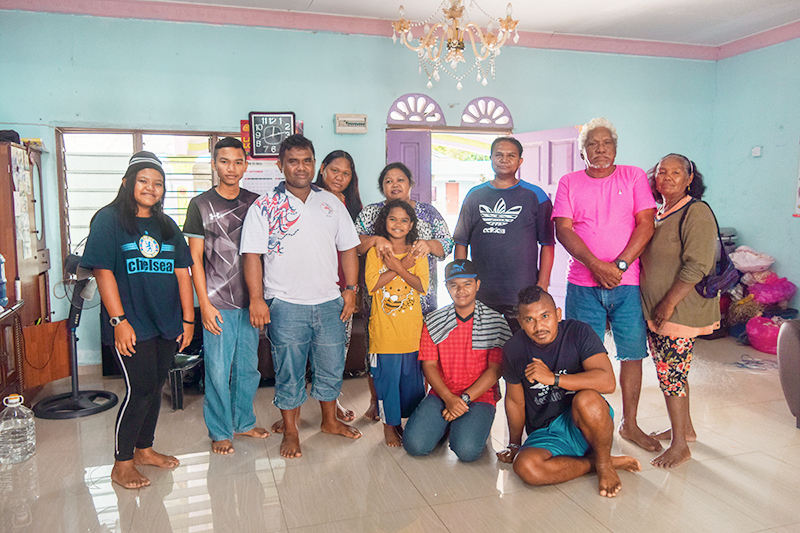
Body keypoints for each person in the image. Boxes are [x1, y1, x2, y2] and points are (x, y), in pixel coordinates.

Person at [240, 134, 362, 459]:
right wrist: (257, 299)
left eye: (307, 160)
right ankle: (291, 431)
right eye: (293, 161)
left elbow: (348, 248)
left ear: (315, 164)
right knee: (288, 370)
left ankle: (329, 421)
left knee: (331, 366)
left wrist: (351, 290)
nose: (301, 167)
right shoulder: (264, 206)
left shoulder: (332, 203)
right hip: (285, 303)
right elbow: (251, 255)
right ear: (280, 165)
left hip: (329, 303)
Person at [81, 151, 194, 488]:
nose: (151, 188)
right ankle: (122, 462)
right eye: (144, 181)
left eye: (158, 183)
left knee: (155, 386)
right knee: (139, 389)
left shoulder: (166, 225)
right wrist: (119, 321)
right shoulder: (108, 220)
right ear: (127, 183)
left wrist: (187, 320)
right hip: (131, 323)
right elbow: (103, 272)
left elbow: (182, 273)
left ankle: (144, 449)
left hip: (166, 321)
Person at [552, 118, 659, 452]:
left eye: (606, 143)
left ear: (615, 147)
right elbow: (564, 230)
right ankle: (590, 424)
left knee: (632, 354)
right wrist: (596, 266)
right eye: (592, 145)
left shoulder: (634, 176)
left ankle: (630, 424)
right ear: (583, 151)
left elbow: (646, 223)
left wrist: (620, 265)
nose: (600, 150)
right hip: (583, 284)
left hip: (626, 285)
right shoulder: (569, 182)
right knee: (586, 357)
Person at [497, 286, 641, 497]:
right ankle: (596, 463)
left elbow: (607, 382)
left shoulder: (578, 332)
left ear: (558, 314)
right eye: (530, 320)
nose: (539, 326)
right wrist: (514, 444)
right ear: (520, 322)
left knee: (587, 399)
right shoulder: (514, 349)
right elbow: (515, 402)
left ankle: (604, 464)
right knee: (525, 468)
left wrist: (553, 378)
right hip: (545, 431)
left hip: (584, 422)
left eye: (545, 316)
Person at [183, 137, 269, 455]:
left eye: (237, 162)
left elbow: (262, 255)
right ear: (214, 164)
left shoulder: (257, 203)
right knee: (218, 369)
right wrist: (203, 304)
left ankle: (243, 422)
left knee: (248, 367)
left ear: (245, 165)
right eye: (224, 161)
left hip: (251, 302)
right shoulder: (200, 204)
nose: (231, 168)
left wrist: (263, 298)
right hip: (217, 302)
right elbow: (194, 260)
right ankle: (220, 430)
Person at [271, 149, 364, 432]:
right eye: (335, 170)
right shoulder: (293, 199)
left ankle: (330, 414)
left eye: (346, 173)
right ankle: (293, 419)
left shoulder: (349, 206)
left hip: (335, 294)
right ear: (321, 169)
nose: (340, 177)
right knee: (292, 362)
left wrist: (351, 289)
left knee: (333, 357)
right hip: (294, 295)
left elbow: (352, 246)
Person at [355, 162, 454, 420]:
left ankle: (418, 408)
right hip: (382, 301)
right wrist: (376, 240)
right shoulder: (371, 213)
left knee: (418, 358)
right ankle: (378, 403)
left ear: (410, 183)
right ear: (382, 187)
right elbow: (355, 243)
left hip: (421, 301)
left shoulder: (427, 213)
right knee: (379, 355)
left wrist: (427, 244)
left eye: (400, 179)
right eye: (388, 180)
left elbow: (447, 244)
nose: (395, 184)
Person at [640, 154, 720, 468]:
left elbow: (698, 264)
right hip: (660, 310)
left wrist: (669, 302)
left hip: (678, 311)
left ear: (689, 179)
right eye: (662, 172)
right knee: (673, 372)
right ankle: (684, 428)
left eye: (676, 172)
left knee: (671, 375)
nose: (668, 177)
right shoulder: (660, 212)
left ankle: (679, 446)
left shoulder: (696, 211)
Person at [403, 259, 511, 462]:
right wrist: (450, 399)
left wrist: (464, 400)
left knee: (467, 451)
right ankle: (447, 423)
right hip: (442, 393)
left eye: (467, 284)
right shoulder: (434, 321)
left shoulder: (495, 321)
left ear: (477, 285)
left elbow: (495, 370)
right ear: (447, 288)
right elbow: (429, 365)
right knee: (415, 445)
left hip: (479, 396)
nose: (461, 290)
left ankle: (461, 422)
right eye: (454, 285)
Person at [453, 136, 555, 332]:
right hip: (481, 291)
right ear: (490, 158)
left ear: (520, 161)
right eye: (499, 155)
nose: (504, 159)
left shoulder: (536, 196)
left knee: (520, 347)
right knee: (482, 348)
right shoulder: (475, 195)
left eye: (511, 155)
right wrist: (462, 281)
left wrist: (542, 284)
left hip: (522, 292)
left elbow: (547, 244)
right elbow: (461, 243)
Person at [365, 200, 429, 446]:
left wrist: (398, 267)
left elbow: (421, 286)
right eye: (393, 219)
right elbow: (373, 285)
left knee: (411, 387)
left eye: (404, 220)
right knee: (386, 385)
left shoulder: (417, 252)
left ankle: (410, 425)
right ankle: (389, 428)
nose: (398, 224)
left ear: (411, 224)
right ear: (385, 222)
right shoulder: (376, 252)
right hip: (384, 337)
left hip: (412, 335)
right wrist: (402, 266)